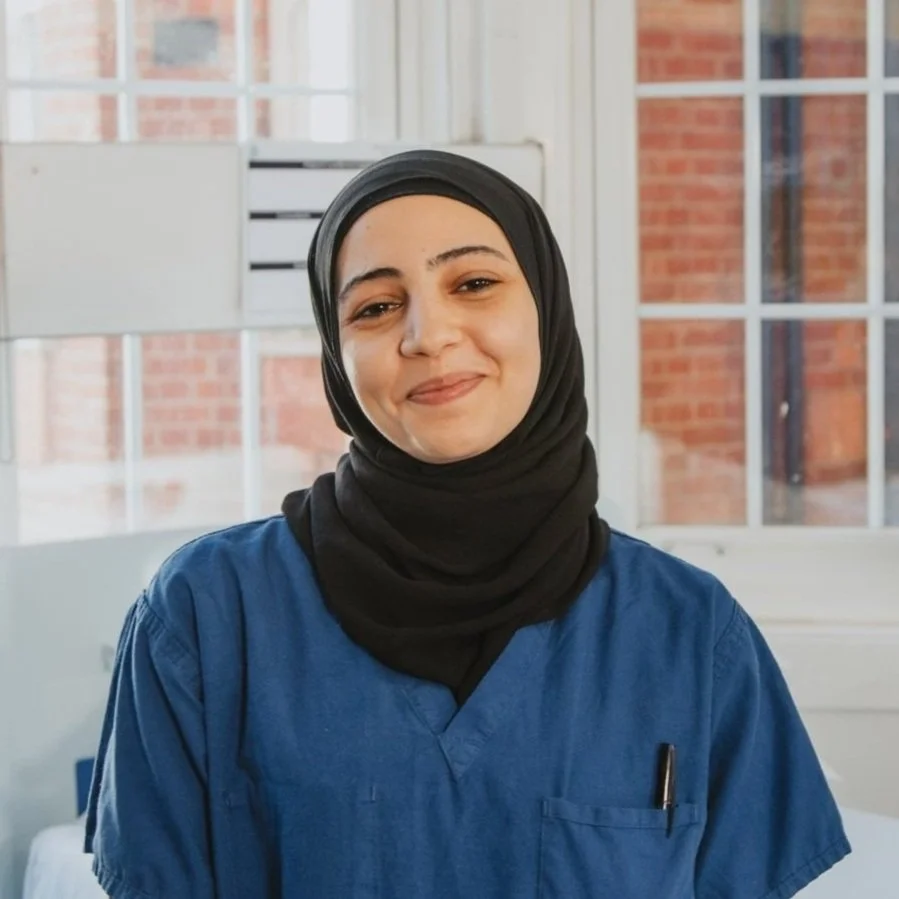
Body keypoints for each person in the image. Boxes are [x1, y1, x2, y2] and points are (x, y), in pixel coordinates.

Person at [84, 150, 850, 898]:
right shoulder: (205, 614)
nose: (427, 334)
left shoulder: (688, 629)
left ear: (545, 310)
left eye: (474, 282)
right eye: (376, 306)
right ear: (334, 352)